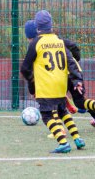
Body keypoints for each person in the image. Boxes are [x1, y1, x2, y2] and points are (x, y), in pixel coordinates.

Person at [24, 19, 95, 129]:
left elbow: (30, 72)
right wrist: (76, 59)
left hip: (59, 75)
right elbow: (73, 45)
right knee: (80, 102)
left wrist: (33, 90)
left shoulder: (36, 47)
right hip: (74, 72)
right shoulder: (57, 41)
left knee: (52, 100)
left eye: (29, 40)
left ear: (31, 37)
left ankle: (59, 130)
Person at [21, 10, 86, 153]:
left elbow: (25, 68)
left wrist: (33, 87)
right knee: (63, 111)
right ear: (51, 26)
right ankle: (77, 139)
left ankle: (63, 143)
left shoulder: (36, 43)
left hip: (46, 87)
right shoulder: (59, 41)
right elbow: (71, 62)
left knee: (46, 116)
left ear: (37, 28)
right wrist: (77, 81)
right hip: (61, 86)